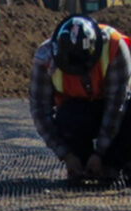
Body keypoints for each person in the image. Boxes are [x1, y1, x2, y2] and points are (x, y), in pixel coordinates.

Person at [30, 14, 131, 181]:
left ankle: (117, 163)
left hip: (117, 113)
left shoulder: (114, 46)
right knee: (69, 118)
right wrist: (66, 154)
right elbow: (40, 112)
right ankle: (83, 163)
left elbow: (116, 106)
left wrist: (100, 153)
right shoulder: (45, 59)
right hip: (79, 115)